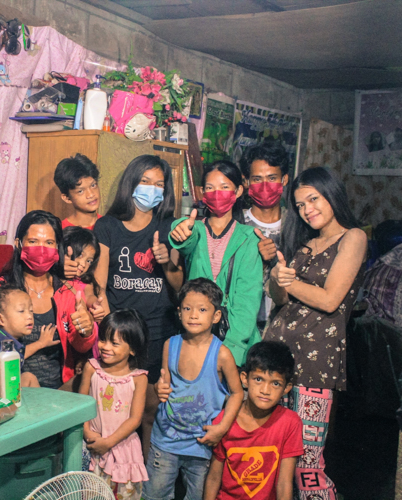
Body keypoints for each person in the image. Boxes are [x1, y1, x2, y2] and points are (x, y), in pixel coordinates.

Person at [264, 166, 366, 500]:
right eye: (301, 205)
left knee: (308, 462)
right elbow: (281, 300)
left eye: (314, 199)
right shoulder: (305, 244)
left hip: (316, 364)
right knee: (275, 454)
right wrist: (278, 280)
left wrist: (290, 282)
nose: (308, 209)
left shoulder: (353, 237)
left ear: (331, 194)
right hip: (277, 359)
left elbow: (330, 299)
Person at [93, 154, 183, 456]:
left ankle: (144, 468)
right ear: (131, 183)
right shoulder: (107, 225)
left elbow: (178, 284)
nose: (152, 189)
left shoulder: (169, 226)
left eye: (159, 184)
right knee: (115, 403)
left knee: (150, 408)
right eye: (145, 181)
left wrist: (165, 261)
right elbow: (101, 273)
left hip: (159, 329)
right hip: (121, 332)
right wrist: (101, 300)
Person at [0, 210, 97, 390]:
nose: (42, 249)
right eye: (33, 241)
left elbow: (81, 347)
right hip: (7, 388)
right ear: (19, 244)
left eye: (49, 242)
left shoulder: (68, 292)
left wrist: (86, 330)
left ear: (57, 247)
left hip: (58, 391)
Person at [144, 279, 243, 500]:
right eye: (187, 308)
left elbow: (237, 393)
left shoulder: (222, 354)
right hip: (166, 440)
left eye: (202, 309)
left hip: (202, 443)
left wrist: (223, 427)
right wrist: (160, 389)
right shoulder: (170, 345)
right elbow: (164, 383)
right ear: (179, 312)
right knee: (154, 495)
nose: (193, 315)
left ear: (216, 316)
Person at [169, 160, 262, 367]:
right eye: (210, 188)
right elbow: (185, 238)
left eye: (224, 187)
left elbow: (247, 301)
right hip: (194, 339)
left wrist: (228, 353)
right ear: (202, 193)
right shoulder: (196, 229)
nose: (216, 193)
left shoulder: (249, 238)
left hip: (234, 345)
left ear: (238, 191)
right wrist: (179, 229)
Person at [203, 341, 304, 500]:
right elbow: (214, 477)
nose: (265, 390)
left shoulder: (290, 423)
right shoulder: (225, 420)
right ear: (244, 379)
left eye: (275, 383)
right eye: (258, 379)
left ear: (286, 388)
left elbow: (284, 482)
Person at [79, 309, 149, 500]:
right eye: (103, 339)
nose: (105, 347)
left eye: (115, 343)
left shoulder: (139, 378)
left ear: (132, 349)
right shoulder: (92, 368)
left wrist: (108, 442)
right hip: (92, 446)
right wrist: (87, 433)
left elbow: (135, 419)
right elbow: (81, 404)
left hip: (123, 450)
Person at [240, 142, 290, 333]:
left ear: (284, 179)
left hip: (285, 331)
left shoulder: (297, 226)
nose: (265, 186)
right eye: (257, 179)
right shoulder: (237, 225)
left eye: (272, 178)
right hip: (244, 330)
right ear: (246, 182)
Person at [0, 284, 39, 387]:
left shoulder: (13, 341)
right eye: (21, 311)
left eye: (31, 311)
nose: (29, 316)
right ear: (0, 319)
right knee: (29, 377)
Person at [53, 153, 100, 230]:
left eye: (93, 185)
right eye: (81, 191)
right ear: (67, 198)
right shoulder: (60, 230)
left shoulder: (111, 225)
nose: (91, 194)